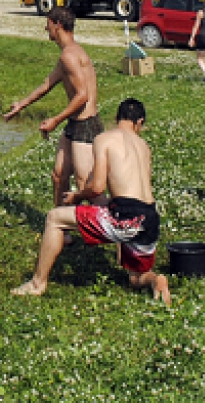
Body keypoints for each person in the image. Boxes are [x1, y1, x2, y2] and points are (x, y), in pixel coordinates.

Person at [12, 98, 171, 304]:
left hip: (124, 216)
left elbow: (96, 188)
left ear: (116, 118)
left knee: (54, 218)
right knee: (136, 277)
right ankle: (155, 280)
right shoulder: (144, 146)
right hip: (149, 218)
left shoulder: (104, 139)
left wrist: (76, 196)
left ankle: (37, 284)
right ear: (139, 123)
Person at [5, 6, 103, 211]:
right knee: (59, 175)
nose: (45, 28)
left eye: (48, 24)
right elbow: (47, 84)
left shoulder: (70, 55)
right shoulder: (67, 55)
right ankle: (60, 227)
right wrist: (21, 105)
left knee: (87, 185)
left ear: (57, 25)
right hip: (75, 124)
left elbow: (82, 95)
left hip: (86, 125)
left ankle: (119, 226)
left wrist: (55, 120)